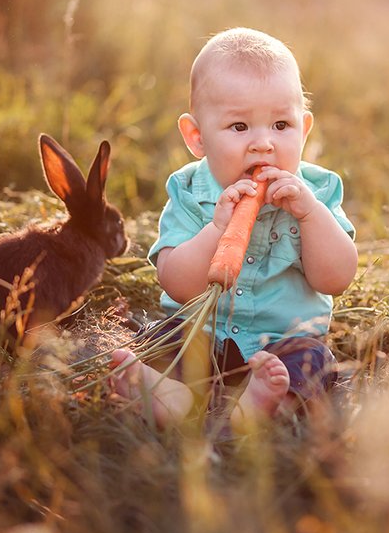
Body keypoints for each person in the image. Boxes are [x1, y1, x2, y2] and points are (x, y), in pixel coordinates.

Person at [110, 27, 358, 432]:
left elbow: (336, 279)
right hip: (200, 334)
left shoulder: (319, 192)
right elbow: (176, 284)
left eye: (281, 125)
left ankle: (262, 402)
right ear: (197, 137)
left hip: (281, 345)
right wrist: (217, 229)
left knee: (313, 362)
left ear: (305, 128)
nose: (263, 144)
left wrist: (310, 215)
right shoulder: (189, 191)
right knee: (162, 337)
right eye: (240, 127)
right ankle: (173, 395)